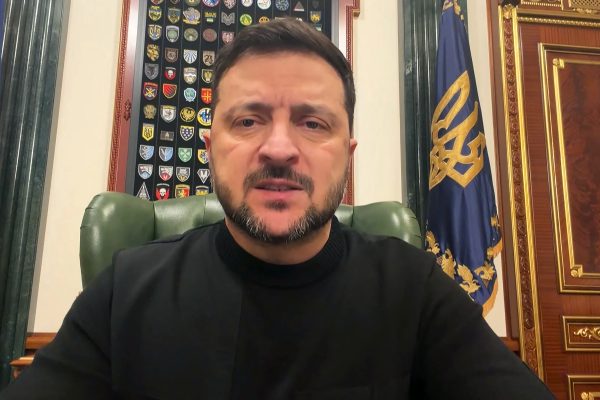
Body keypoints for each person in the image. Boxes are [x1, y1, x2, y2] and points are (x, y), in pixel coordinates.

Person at [1, 18, 553, 400]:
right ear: (210, 147)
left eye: (313, 122)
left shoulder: (414, 288)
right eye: (248, 120)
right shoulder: (127, 290)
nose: (280, 148)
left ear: (348, 154)